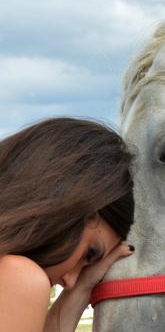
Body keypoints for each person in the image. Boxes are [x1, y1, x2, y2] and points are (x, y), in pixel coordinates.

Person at [0, 117, 135, 331]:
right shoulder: (20, 274)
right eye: (89, 253)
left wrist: (83, 287)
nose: (70, 281)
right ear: (66, 208)